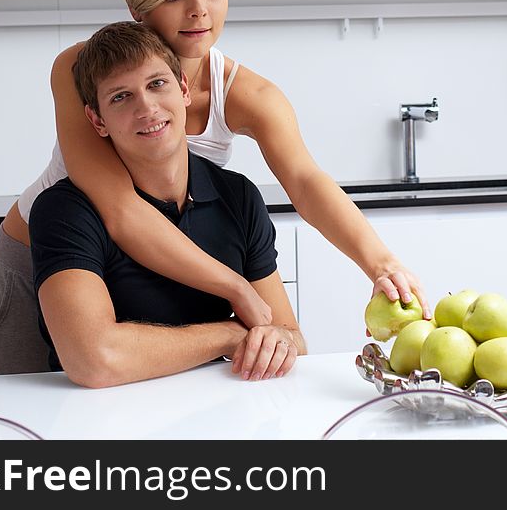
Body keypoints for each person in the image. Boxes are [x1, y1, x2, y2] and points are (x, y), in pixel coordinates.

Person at [0, 0, 429, 375]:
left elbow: (305, 179)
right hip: (48, 255)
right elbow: (121, 209)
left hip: (162, 264)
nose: (199, 10)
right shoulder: (82, 69)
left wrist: (381, 264)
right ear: (138, 7)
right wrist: (236, 292)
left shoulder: (248, 96)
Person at [30, 21, 304, 388]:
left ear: (184, 90)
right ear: (97, 121)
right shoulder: (65, 211)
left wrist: (280, 341)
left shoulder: (239, 197)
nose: (146, 107)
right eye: (120, 97)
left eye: (157, 84)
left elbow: (290, 336)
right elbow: (94, 358)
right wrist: (228, 335)